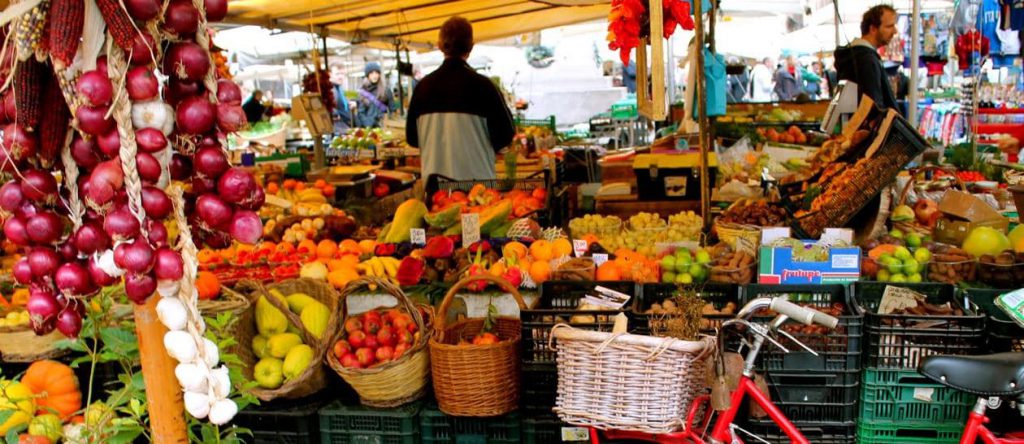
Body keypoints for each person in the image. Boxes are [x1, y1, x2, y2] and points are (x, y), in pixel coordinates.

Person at [405, 16, 515, 181]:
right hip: (477, 192)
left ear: (440, 46)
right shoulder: (484, 87)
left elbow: (413, 139)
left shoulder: (422, 88)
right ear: (471, 46)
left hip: (436, 192)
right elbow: (505, 136)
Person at [834, 5, 901, 113]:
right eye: (889, 26)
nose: (895, 31)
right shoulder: (866, 60)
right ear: (873, 29)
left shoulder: (853, 55)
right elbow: (873, 107)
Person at [355, 62, 392, 128]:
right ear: (367, 75)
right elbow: (360, 112)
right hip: (367, 128)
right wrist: (368, 123)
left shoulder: (386, 90)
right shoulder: (363, 91)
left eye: (376, 73)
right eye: (371, 73)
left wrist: (387, 122)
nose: (374, 76)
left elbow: (392, 109)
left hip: (382, 126)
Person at [329, 63, 353, 130]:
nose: (340, 76)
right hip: (337, 129)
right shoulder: (329, 90)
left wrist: (352, 103)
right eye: (337, 74)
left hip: (345, 126)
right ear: (330, 74)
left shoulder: (340, 88)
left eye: (342, 74)